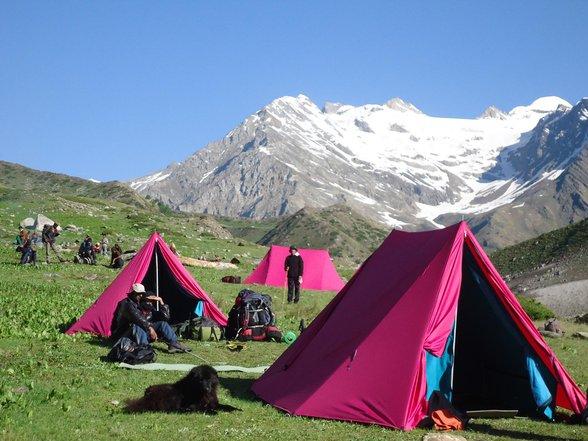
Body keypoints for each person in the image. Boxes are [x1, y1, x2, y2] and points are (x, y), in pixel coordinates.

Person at [111, 283, 190, 353]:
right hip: (124, 334)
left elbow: (165, 317)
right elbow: (138, 319)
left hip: (138, 334)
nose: (141, 296)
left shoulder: (146, 308)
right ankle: (145, 348)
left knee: (162, 324)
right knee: (137, 325)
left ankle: (174, 344)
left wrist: (161, 301)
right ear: (133, 293)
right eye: (139, 294)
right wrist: (150, 328)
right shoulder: (126, 304)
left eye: (142, 294)